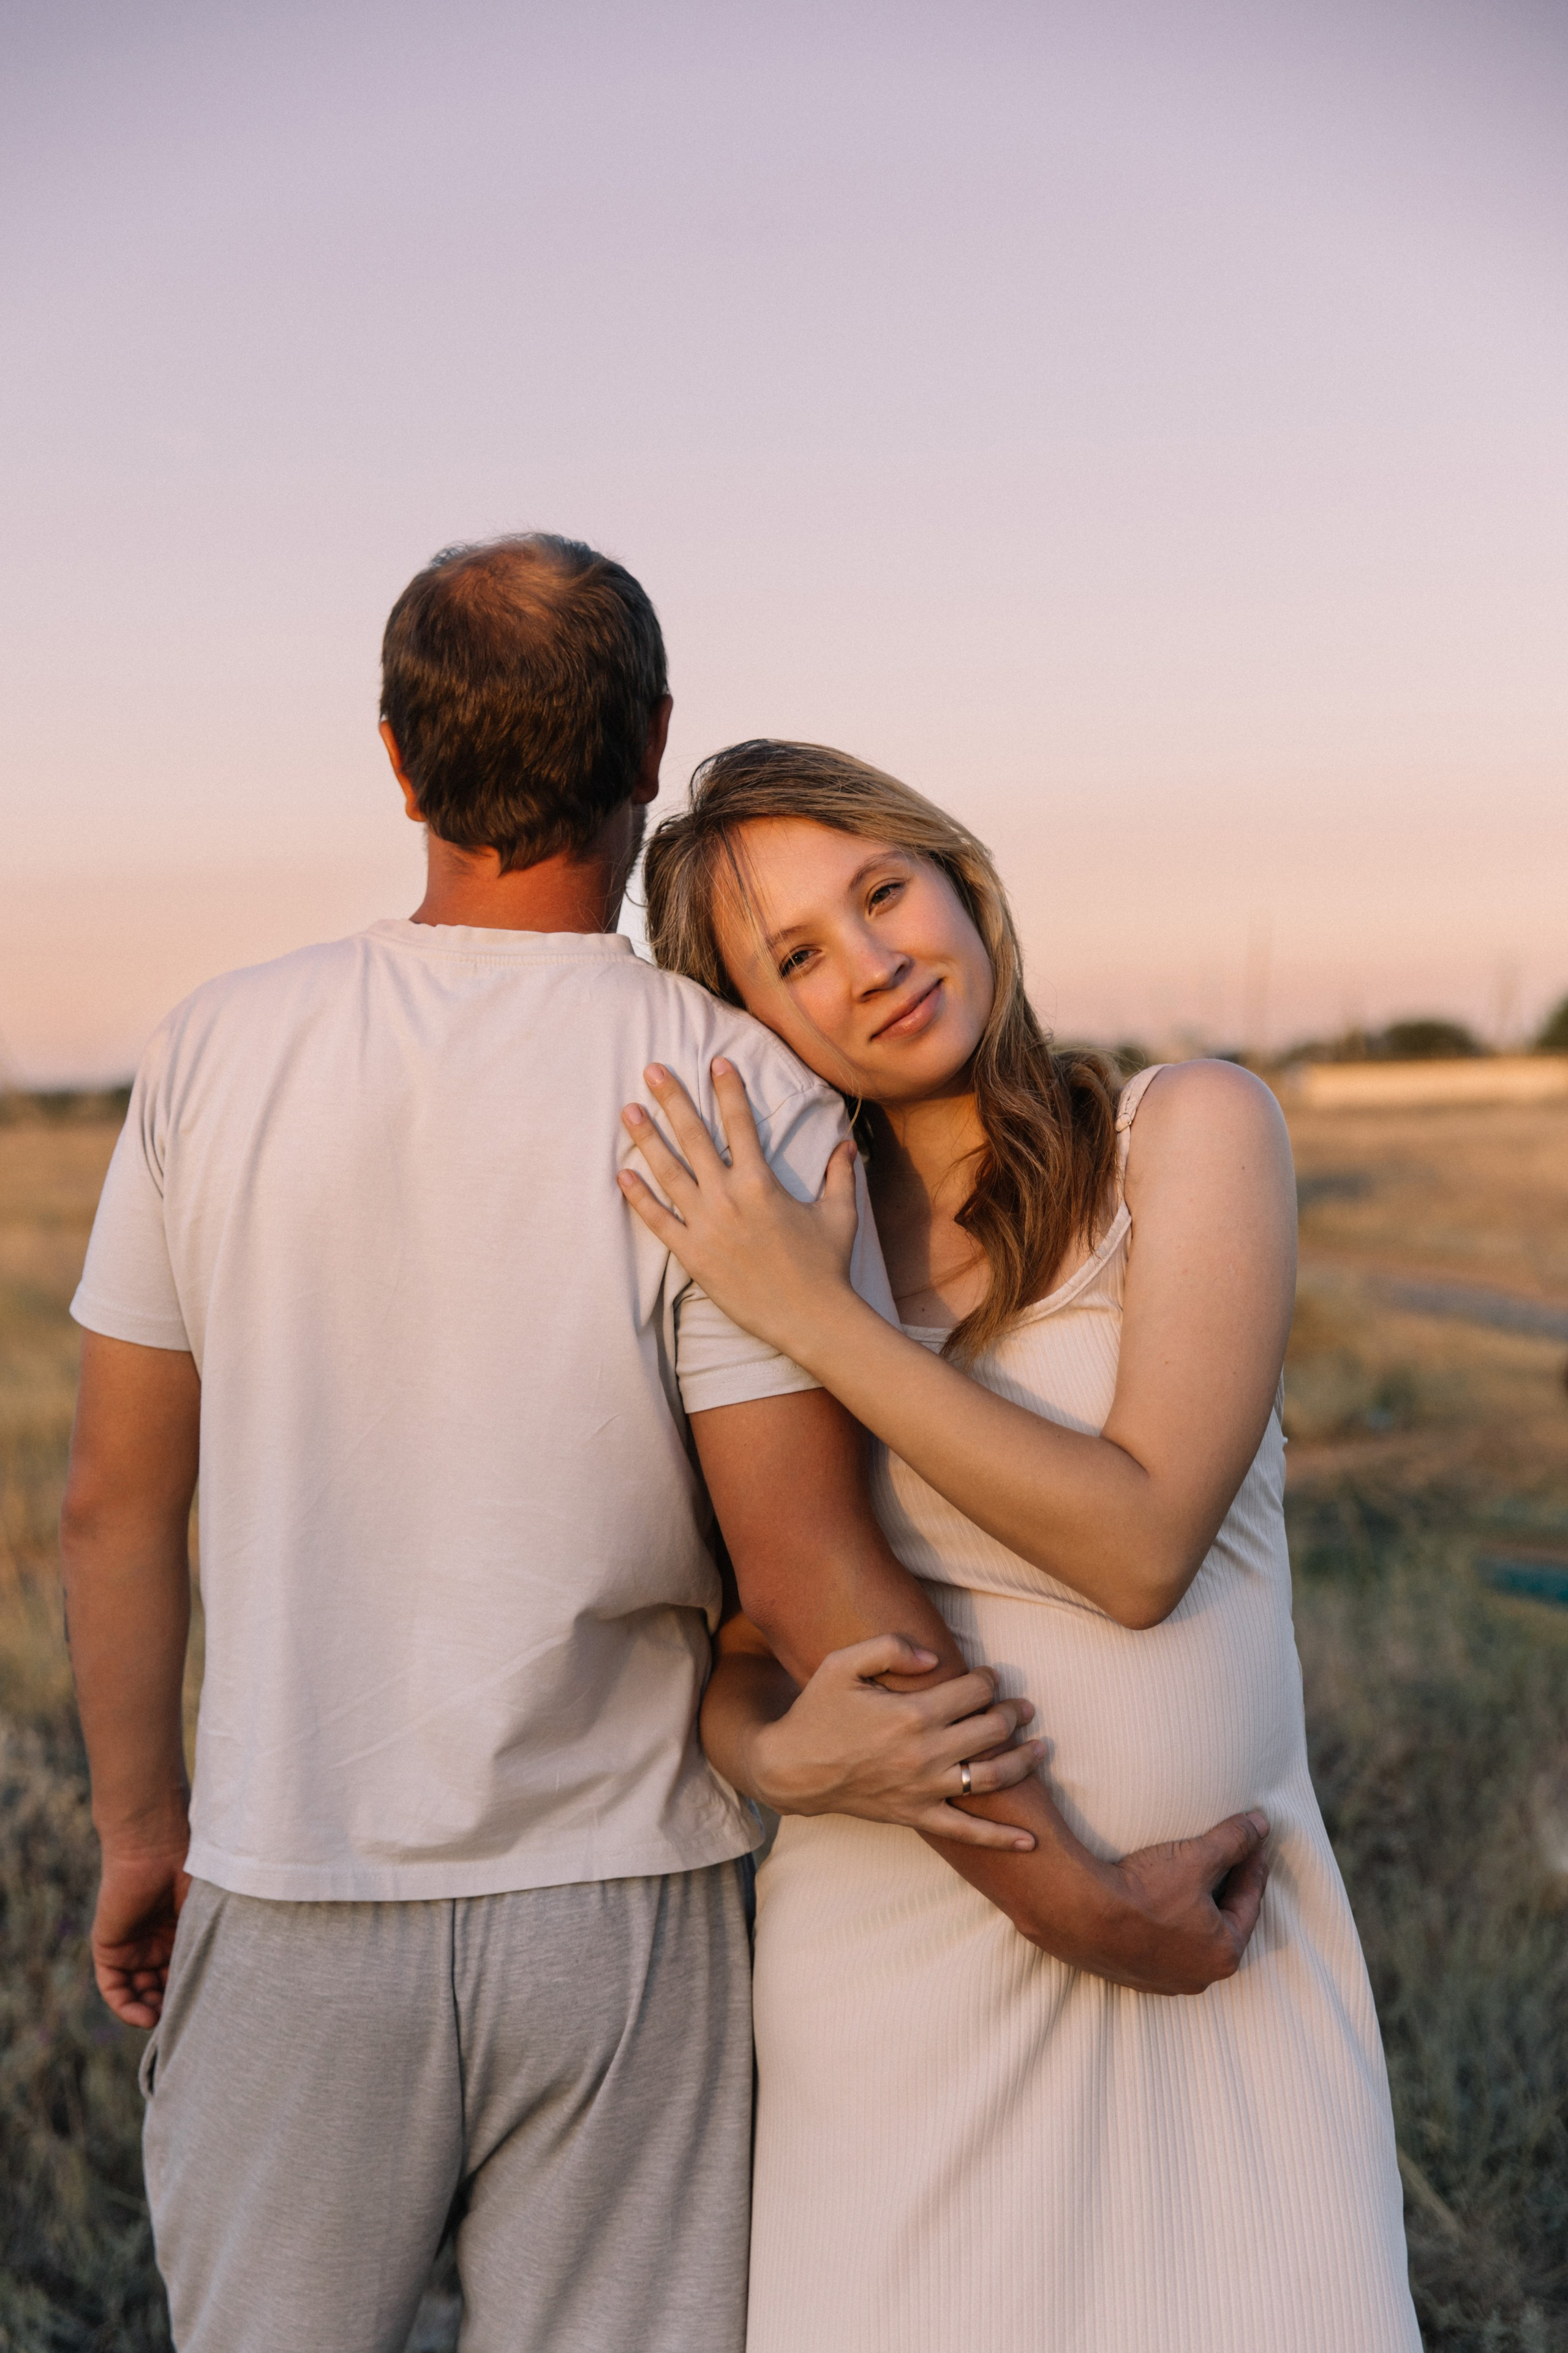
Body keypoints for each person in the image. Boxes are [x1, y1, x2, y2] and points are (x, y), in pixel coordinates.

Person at [60, 541, 1266, 2353]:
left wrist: (145, 1830)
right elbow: (806, 1578)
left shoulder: (213, 1051)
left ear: (396, 759)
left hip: (293, 1885)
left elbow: (113, 1503)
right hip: (625, 1913)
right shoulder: (731, 1084)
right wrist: (1072, 1894)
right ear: (656, 743)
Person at [620, 738, 1423, 2353]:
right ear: (749, 1018)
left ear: (959, 877)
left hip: (1225, 1951)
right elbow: (740, 1655)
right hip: (897, 1975)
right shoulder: (791, 1244)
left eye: (881, 889)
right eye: (795, 955)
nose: (872, 963)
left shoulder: (1184, 1132)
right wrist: (783, 1765)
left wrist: (810, 1318)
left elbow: (1141, 1546)